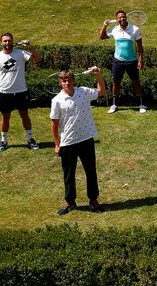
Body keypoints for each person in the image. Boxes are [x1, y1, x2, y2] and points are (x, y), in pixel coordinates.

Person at [50, 67, 107, 215]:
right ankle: (70, 202)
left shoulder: (84, 92)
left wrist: (98, 75)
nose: (67, 83)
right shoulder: (56, 101)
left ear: (73, 81)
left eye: (69, 80)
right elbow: (54, 124)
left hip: (87, 138)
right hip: (68, 142)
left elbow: (102, 92)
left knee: (91, 171)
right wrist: (57, 144)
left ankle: (93, 201)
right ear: (60, 83)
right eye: (64, 81)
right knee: (69, 174)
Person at [0, 33, 42, 153]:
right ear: (1, 43)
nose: (7, 43)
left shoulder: (21, 53)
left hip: (21, 92)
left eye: (9, 40)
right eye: (5, 41)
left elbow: (38, 59)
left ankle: (30, 139)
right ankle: (3, 141)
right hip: (4, 93)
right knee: (5, 117)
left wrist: (30, 47)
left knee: (25, 116)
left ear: (12, 41)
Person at [99, 10, 146, 114]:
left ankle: (141, 104)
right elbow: (102, 37)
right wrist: (104, 25)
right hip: (118, 61)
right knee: (116, 82)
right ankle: (114, 104)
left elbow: (140, 48)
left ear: (126, 18)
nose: (122, 19)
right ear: (117, 19)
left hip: (132, 61)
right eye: (119, 18)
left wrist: (140, 60)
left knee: (136, 82)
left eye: (123, 17)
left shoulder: (135, 29)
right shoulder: (114, 29)